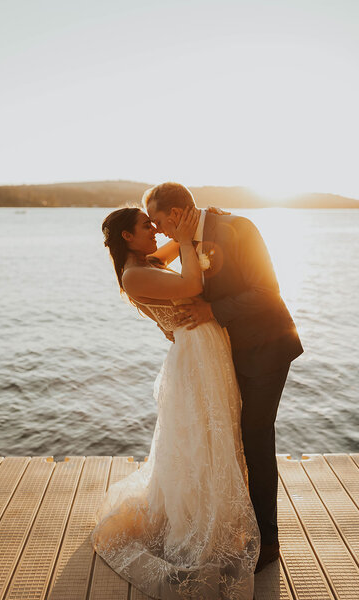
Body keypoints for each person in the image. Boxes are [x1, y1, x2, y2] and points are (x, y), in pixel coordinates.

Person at [91, 202, 261, 600]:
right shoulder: (133, 276)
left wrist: (199, 224)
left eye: (155, 224)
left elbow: (175, 251)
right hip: (196, 352)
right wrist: (185, 239)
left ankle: (218, 513)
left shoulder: (145, 259)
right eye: (146, 226)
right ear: (127, 237)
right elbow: (191, 286)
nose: (156, 231)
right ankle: (199, 522)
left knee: (214, 426)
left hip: (205, 345)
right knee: (201, 433)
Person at [144, 182, 304, 573]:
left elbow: (268, 290)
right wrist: (165, 315)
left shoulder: (238, 229)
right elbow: (152, 268)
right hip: (229, 353)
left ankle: (268, 541)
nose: (158, 229)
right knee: (231, 436)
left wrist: (211, 311)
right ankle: (239, 524)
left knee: (255, 437)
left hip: (267, 348)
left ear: (179, 211)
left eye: (159, 220)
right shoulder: (187, 238)